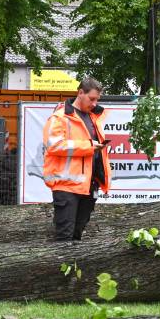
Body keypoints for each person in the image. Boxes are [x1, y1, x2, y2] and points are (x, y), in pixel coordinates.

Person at [42, 78, 112, 241]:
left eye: (97, 100)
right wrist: (88, 146)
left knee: (76, 235)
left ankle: (73, 266)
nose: (94, 103)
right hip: (67, 187)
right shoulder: (60, 118)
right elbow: (54, 145)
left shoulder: (94, 118)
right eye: (92, 99)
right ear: (80, 93)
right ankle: (62, 266)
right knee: (64, 237)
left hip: (89, 185)